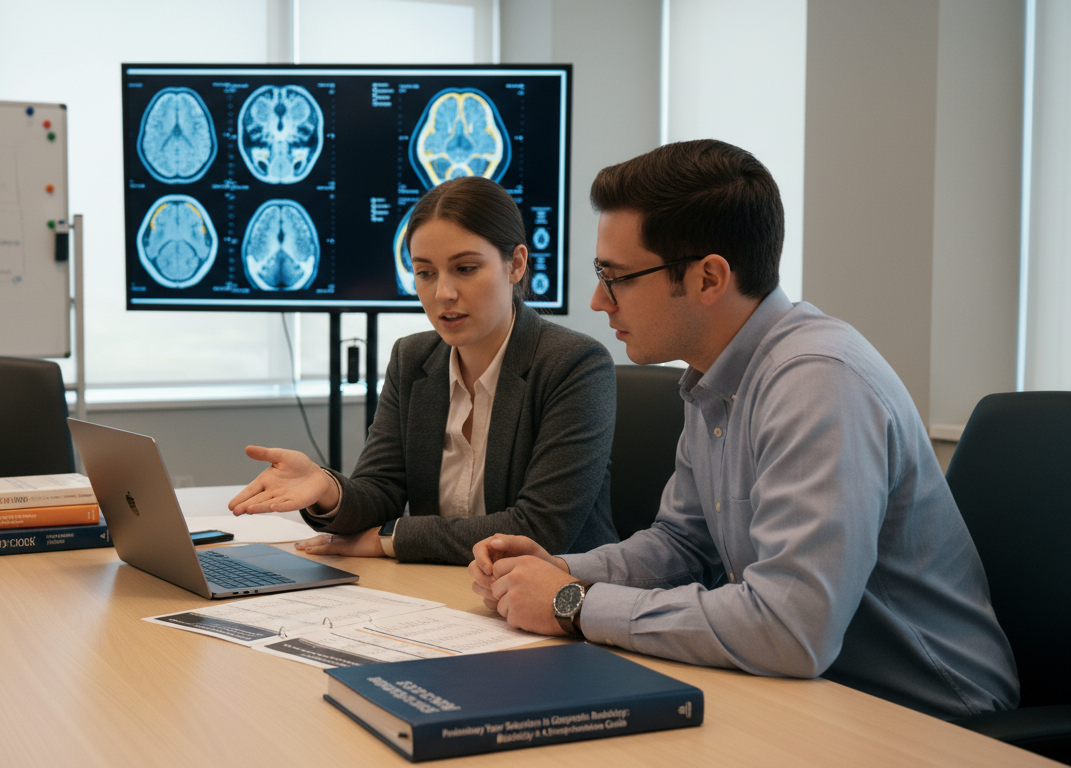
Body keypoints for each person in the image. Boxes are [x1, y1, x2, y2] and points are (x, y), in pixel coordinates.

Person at [469, 139, 1018, 720]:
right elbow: (685, 545)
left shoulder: (817, 382)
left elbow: (790, 628)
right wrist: (562, 569)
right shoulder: (716, 375)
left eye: (618, 276)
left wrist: (573, 604)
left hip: (928, 717)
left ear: (709, 278)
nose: (598, 299)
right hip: (811, 693)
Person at [229, 175, 619, 566]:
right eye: (425, 273)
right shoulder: (411, 357)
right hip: (443, 585)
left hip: (556, 596)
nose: (442, 294)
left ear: (515, 264)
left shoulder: (575, 363)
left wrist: (389, 540)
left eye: (465, 268)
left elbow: (539, 528)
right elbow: (380, 491)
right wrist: (326, 488)